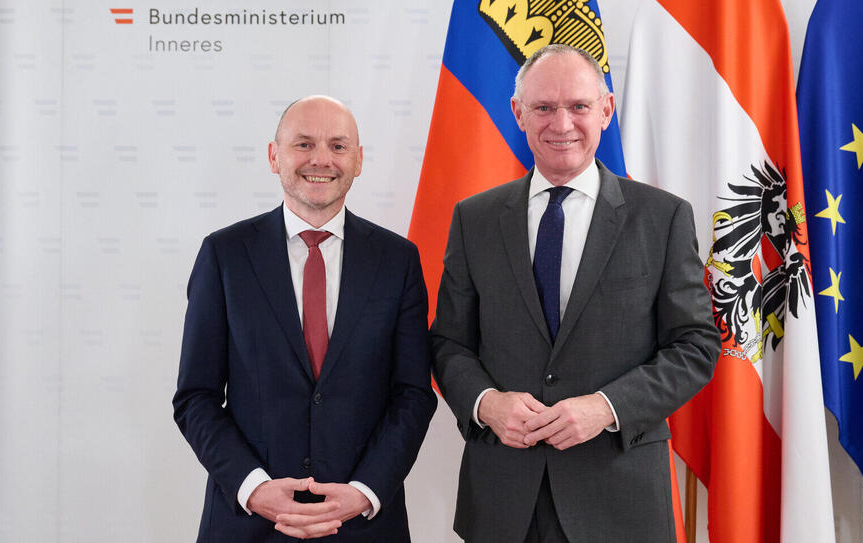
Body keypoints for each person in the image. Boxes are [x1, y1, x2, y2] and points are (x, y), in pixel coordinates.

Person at [431, 45, 720, 542]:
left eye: (578, 107)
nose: (561, 123)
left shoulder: (662, 216)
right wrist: (486, 403)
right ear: (518, 113)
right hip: (502, 501)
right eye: (543, 107)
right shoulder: (473, 218)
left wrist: (606, 407)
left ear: (606, 110)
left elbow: (695, 346)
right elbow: (448, 343)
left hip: (620, 501)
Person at [173, 95, 437, 542]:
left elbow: (412, 394)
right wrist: (254, 489)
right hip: (248, 524)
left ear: (358, 160)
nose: (321, 159)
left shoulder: (399, 260)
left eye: (338, 146)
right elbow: (195, 398)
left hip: (363, 524)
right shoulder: (224, 255)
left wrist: (364, 491)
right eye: (303, 144)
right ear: (274, 157)